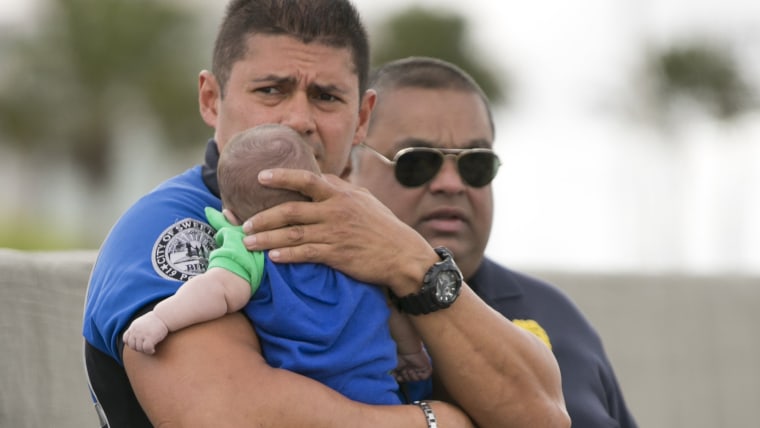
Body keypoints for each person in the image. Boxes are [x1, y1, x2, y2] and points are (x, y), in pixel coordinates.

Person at [82, 0, 569, 427]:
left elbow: (542, 416)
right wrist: (433, 422)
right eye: (271, 90)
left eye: (326, 96)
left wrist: (413, 265)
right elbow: (230, 417)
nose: (299, 119)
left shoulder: (381, 233)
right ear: (212, 99)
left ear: (361, 117)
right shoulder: (178, 227)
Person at [349, 56, 638, 427]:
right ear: (349, 169)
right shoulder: (299, 306)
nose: (452, 184)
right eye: (418, 162)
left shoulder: (556, 315)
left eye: (475, 164)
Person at [122, 124, 432, 396]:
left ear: (230, 216)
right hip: (376, 391)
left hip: (308, 397)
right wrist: (411, 353)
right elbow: (390, 305)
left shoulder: (249, 246)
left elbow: (217, 291)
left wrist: (161, 319)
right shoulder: (350, 242)